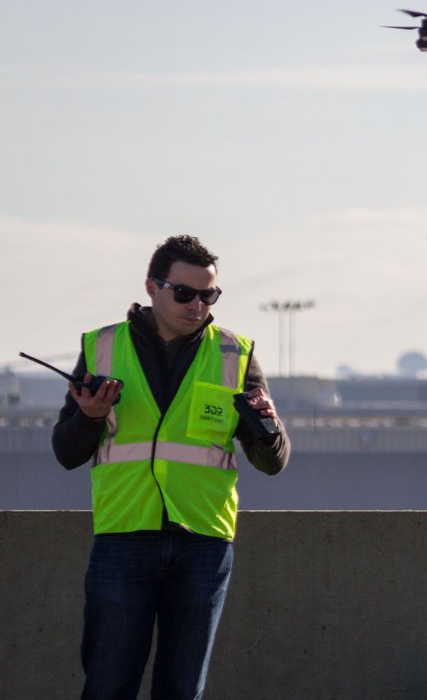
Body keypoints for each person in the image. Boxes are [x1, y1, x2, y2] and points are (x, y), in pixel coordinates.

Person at [52, 234, 291, 700]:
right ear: (152, 288)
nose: (197, 306)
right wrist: (91, 417)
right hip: (123, 535)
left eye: (209, 295)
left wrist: (267, 427)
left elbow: (274, 462)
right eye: (184, 293)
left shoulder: (235, 354)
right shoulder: (102, 347)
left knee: (182, 690)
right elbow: (66, 452)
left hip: (203, 541)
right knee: (107, 686)